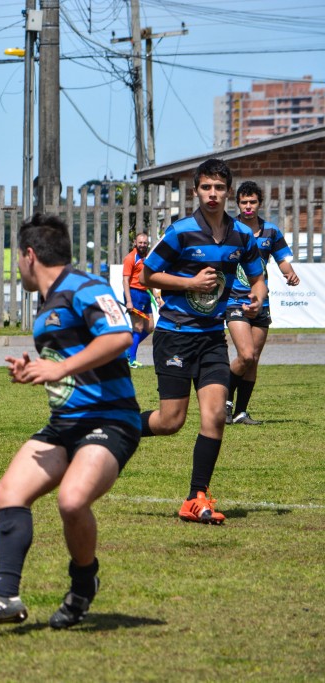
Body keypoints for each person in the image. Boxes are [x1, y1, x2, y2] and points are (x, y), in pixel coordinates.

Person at [0, 214, 140, 631]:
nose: (17, 268)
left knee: (72, 501)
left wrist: (60, 369)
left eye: (16, 259)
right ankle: (5, 596)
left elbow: (119, 336)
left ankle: (83, 583)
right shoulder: (46, 304)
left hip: (111, 419)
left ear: (29, 255)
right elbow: (63, 363)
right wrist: (34, 370)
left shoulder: (84, 286)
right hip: (65, 423)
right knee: (9, 492)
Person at [139, 159, 266, 525]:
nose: (213, 194)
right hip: (175, 336)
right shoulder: (180, 232)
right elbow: (148, 275)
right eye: (206, 187)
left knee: (214, 417)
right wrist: (190, 284)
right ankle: (116, 425)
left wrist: (257, 295)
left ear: (229, 191)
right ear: (196, 190)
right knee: (170, 421)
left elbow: (258, 278)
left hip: (212, 338)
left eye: (219, 188)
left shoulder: (241, 235)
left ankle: (196, 497)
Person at [225, 181, 300, 426]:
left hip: (261, 302)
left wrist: (289, 273)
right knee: (245, 355)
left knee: (253, 358)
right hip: (235, 300)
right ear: (238, 204)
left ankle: (240, 412)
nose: (248, 206)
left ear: (260, 203)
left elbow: (282, 260)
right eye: (244, 202)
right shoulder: (229, 229)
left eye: (253, 202)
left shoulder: (270, 231)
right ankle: (225, 401)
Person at [121, 231, 161, 368]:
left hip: (144, 295)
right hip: (134, 294)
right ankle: (131, 360)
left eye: (145, 243)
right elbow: (125, 281)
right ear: (135, 243)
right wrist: (129, 301)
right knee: (137, 327)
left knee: (150, 327)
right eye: (140, 243)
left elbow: (148, 281)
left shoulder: (146, 259)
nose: (143, 245)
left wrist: (156, 296)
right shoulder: (130, 258)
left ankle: (128, 349)